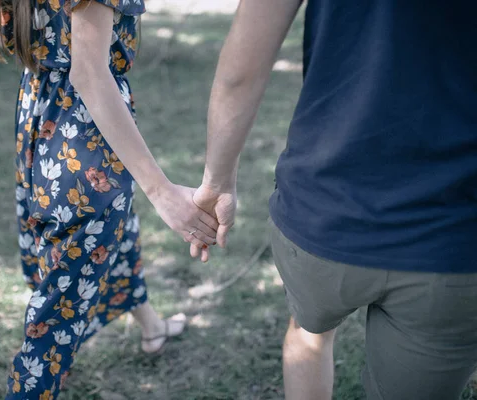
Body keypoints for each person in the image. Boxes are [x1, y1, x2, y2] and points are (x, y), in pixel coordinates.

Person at [0, 0, 220, 397]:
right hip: (85, 130)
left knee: (110, 233)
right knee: (52, 322)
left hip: (37, 118)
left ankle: (151, 325)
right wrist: (162, 193)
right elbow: (90, 74)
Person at [193, 0, 477, 399]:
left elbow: (240, 74)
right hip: (452, 239)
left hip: (322, 215)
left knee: (310, 337)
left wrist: (217, 181)